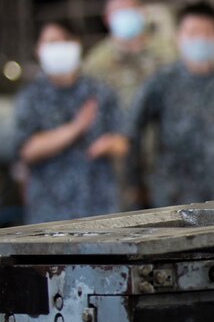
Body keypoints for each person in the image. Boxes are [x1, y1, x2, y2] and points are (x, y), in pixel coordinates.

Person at [129, 0, 214, 206]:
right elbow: (133, 130)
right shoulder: (161, 83)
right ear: (178, 37)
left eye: (207, 32)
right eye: (193, 32)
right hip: (173, 200)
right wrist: (137, 184)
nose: (200, 39)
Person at [12, 20, 127, 224]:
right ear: (38, 49)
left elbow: (124, 141)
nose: (58, 48)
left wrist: (110, 145)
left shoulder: (100, 93)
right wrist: (75, 128)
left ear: (77, 45)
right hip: (49, 213)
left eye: (64, 41)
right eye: (51, 42)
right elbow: (27, 150)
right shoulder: (31, 97)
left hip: (99, 211)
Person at [82, 0, 176, 207]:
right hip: (118, 171)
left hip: (165, 164)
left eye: (130, 9)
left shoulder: (168, 54)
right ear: (107, 18)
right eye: (118, 11)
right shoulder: (95, 64)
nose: (125, 16)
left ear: (142, 12)